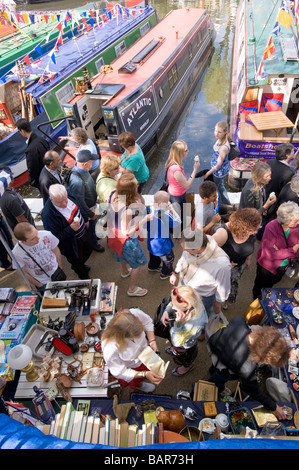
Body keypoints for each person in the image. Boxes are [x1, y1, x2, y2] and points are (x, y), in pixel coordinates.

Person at [208, 316, 290, 419]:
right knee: (219, 378)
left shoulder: (239, 321)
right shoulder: (246, 368)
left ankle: (212, 370)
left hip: (216, 347)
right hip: (226, 368)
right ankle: (216, 386)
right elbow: (252, 390)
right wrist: (273, 407)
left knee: (214, 368)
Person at [170, 227, 231, 316]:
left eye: (186, 249)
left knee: (200, 317)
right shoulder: (190, 246)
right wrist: (175, 273)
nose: (184, 251)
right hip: (185, 285)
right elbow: (183, 259)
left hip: (203, 297)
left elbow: (223, 287)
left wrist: (218, 304)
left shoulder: (222, 264)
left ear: (198, 248)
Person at [102, 307, 163, 393]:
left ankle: (144, 379)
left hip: (146, 354)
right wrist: (144, 374)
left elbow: (147, 322)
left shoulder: (134, 313)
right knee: (136, 380)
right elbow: (120, 371)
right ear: (121, 336)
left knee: (157, 369)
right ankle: (140, 385)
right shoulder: (110, 348)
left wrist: (152, 341)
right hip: (132, 366)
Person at [108, 173, 148, 297]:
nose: (138, 185)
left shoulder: (113, 194)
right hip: (126, 240)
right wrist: (144, 220)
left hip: (114, 234)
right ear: (131, 190)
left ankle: (125, 271)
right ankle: (132, 289)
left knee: (120, 254)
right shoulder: (127, 211)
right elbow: (127, 232)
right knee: (137, 264)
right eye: (136, 185)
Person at [42, 184, 93, 280]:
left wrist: (85, 219)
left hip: (84, 233)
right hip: (72, 244)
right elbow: (54, 237)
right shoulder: (48, 215)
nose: (65, 203)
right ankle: (82, 274)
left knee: (89, 248)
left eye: (65, 199)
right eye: (60, 202)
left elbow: (79, 205)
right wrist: (71, 229)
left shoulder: (67, 193)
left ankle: (80, 265)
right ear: (51, 199)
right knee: (77, 260)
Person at [213, 208, 262, 308]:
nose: (256, 231)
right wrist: (224, 264)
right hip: (223, 270)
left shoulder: (249, 232)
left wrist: (248, 259)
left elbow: (250, 243)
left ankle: (226, 300)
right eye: (255, 229)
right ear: (245, 227)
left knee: (232, 286)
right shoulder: (223, 233)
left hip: (238, 268)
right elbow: (205, 253)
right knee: (220, 288)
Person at [252, 201, 299, 299]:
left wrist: (282, 252)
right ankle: (256, 303)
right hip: (266, 267)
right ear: (286, 221)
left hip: (283, 266)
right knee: (259, 287)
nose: (298, 222)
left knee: (270, 286)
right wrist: (292, 249)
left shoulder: (297, 227)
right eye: (295, 221)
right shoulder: (271, 227)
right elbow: (271, 255)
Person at [160, 285, 208, 376]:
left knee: (186, 357)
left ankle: (187, 367)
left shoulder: (194, 324)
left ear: (187, 309)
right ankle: (174, 351)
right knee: (176, 348)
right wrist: (167, 310)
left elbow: (177, 341)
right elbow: (172, 301)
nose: (173, 308)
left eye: (176, 307)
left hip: (185, 345)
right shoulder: (193, 301)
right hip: (180, 335)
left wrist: (178, 324)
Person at [68, 149, 105, 253]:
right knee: (91, 228)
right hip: (88, 209)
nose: (93, 163)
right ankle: (94, 244)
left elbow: (89, 186)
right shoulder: (77, 181)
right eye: (91, 162)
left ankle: (95, 238)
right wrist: (89, 215)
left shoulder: (84, 171)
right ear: (84, 164)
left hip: (92, 204)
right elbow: (79, 202)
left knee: (94, 226)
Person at [12, 222, 63, 294]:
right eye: (33, 239)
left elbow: (55, 250)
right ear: (23, 242)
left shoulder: (46, 234)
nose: (38, 238)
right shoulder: (16, 253)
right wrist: (39, 284)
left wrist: (60, 267)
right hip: (42, 282)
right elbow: (22, 272)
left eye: (36, 233)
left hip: (57, 272)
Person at [144, 190, 181, 279]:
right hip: (163, 244)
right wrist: (171, 209)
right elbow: (178, 221)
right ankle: (165, 273)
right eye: (167, 201)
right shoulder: (165, 214)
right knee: (169, 259)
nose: (168, 203)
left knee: (153, 255)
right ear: (161, 203)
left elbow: (145, 225)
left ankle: (152, 266)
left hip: (152, 242)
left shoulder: (148, 210)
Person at [239, 161, 276, 239]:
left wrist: (263, 207)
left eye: (270, 175)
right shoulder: (249, 191)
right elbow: (250, 215)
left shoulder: (261, 183)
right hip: (251, 221)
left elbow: (261, 197)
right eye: (267, 176)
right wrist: (266, 206)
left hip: (260, 214)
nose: (270, 178)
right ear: (259, 177)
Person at [165, 140, 200, 222]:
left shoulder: (172, 161)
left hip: (172, 190)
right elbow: (187, 185)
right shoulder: (176, 170)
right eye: (186, 150)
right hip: (177, 197)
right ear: (180, 153)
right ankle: (180, 231)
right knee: (180, 217)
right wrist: (195, 170)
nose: (188, 151)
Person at [16, 118, 50, 191]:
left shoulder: (30, 149)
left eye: (19, 131)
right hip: (50, 173)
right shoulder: (41, 139)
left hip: (43, 180)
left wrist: (32, 182)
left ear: (22, 131)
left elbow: (32, 168)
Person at [203, 121, 231, 206]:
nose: (216, 134)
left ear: (225, 132)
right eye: (215, 131)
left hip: (219, 171)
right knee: (220, 185)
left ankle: (226, 203)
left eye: (219, 132)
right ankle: (223, 201)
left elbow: (218, 165)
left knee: (220, 187)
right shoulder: (221, 139)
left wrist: (208, 173)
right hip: (220, 169)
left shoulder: (223, 148)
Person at [0, 166, 35, 231]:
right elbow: (22, 220)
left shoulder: (8, 192)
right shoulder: (11, 199)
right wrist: (31, 230)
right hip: (27, 232)